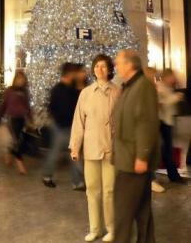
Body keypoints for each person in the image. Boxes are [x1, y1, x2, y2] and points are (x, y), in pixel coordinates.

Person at [70, 55, 120, 242]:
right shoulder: (86, 93)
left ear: (109, 69)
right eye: (97, 66)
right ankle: (95, 228)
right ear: (93, 69)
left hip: (111, 148)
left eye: (104, 66)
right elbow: (78, 122)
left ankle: (112, 228)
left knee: (109, 191)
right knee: (92, 190)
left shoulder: (117, 92)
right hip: (91, 148)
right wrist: (75, 147)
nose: (100, 69)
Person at [113, 49, 160, 243]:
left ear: (129, 64)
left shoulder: (143, 87)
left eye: (118, 63)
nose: (116, 66)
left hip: (133, 161)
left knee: (123, 212)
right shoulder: (129, 86)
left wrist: (142, 156)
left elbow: (146, 123)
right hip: (127, 158)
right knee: (142, 210)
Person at [42, 62, 85, 189]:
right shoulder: (58, 89)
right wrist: (60, 122)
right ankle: (47, 176)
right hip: (61, 127)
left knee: (74, 154)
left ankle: (77, 182)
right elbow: (53, 108)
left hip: (71, 126)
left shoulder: (72, 88)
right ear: (69, 74)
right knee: (55, 153)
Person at [0, 69, 32, 175]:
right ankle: (20, 164)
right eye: (19, 79)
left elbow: (27, 106)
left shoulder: (25, 92)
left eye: (23, 79)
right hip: (12, 119)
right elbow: (3, 105)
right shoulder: (9, 91)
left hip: (22, 118)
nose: (21, 81)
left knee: (18, 140)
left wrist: (30, 119)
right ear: (15, 79)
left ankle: (9, 152)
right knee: (17, 141)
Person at [157, 68, 186, 184]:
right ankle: (174, 176)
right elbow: (162, 103)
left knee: (167, 150)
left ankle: (174, 175)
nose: (174, 79)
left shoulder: (167, 88)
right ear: (167, 76)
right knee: (166, 150)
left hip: (167, 121)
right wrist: (176, 97)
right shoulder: (160, 88)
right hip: (163, 122)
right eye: (172, 76)